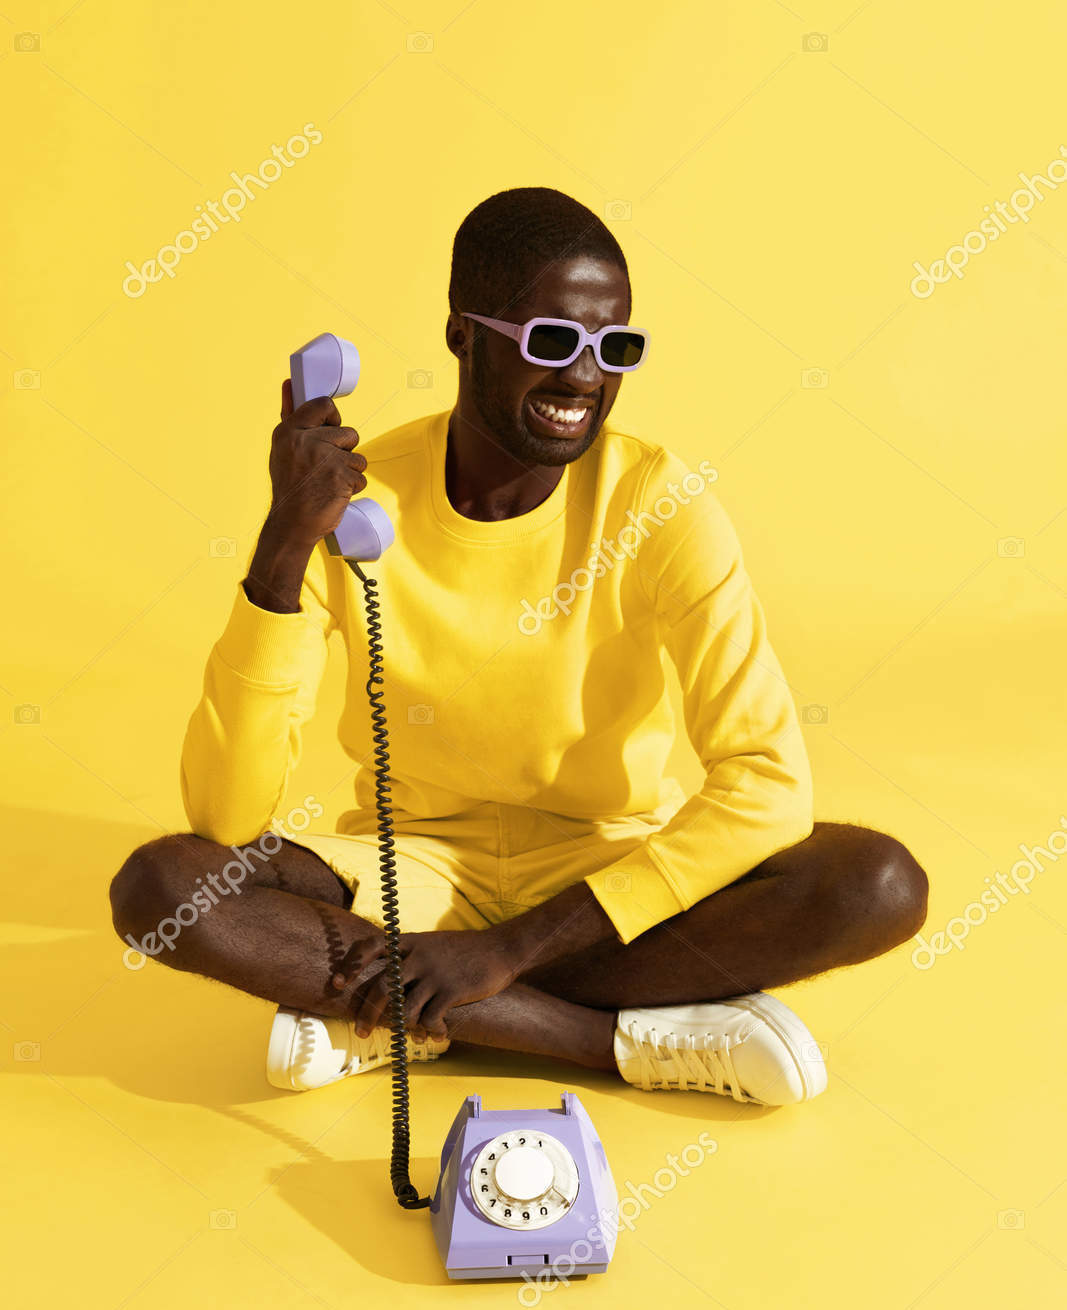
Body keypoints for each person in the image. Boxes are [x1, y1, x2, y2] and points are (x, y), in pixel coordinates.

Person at [110, 187, 928, 1106]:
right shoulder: (353, 503)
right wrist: (284, 539)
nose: (584, 378)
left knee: (875, 883)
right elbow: (225, 815)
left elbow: (767, 783)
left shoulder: (657, 501)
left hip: (601, 880)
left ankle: (399, 1013)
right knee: (162, 886)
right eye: (551, 341)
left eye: (614, 348)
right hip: (409, 870)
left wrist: (504, 950)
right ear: (463, 336)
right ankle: (607, 1044)